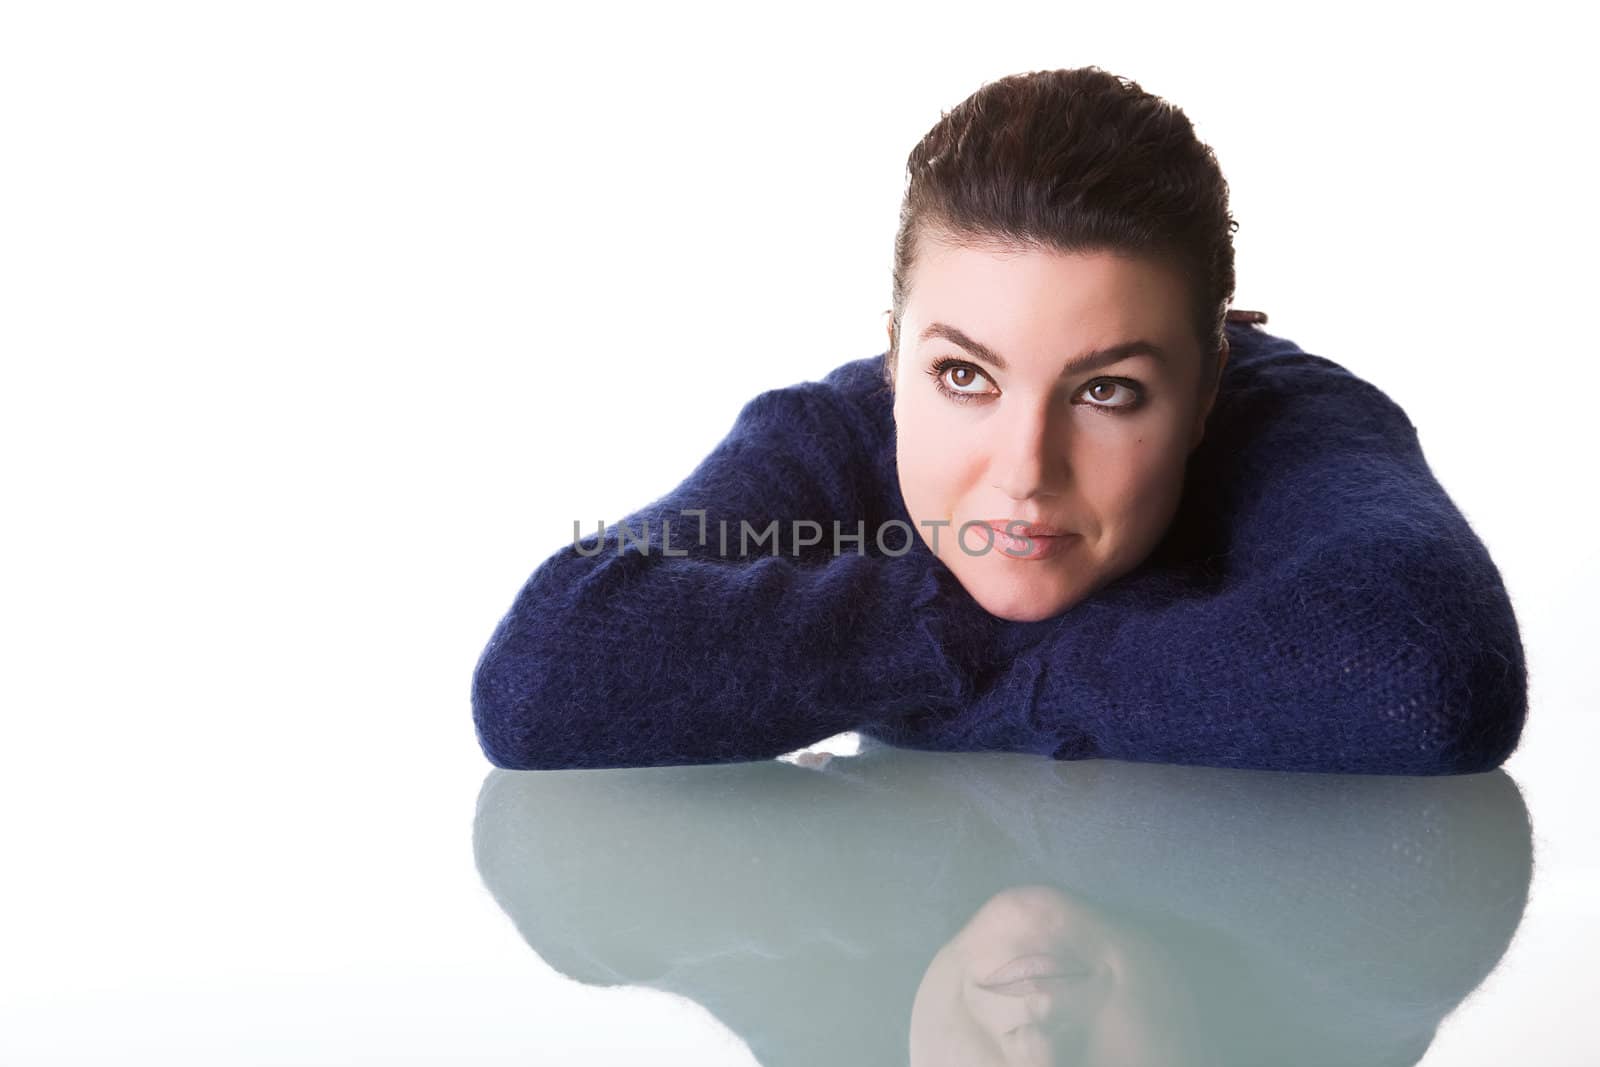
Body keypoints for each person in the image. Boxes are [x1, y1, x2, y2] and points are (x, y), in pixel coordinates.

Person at [471, 67, 1526, 774]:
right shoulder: (834, 431)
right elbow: (541, 676)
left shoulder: (1290, 422)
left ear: (1207, 385)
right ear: (893, 358)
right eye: (964, 375)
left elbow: (1423, 681)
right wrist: (974, 631)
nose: (1025, 470)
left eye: (1106, 389)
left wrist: (909, 655)